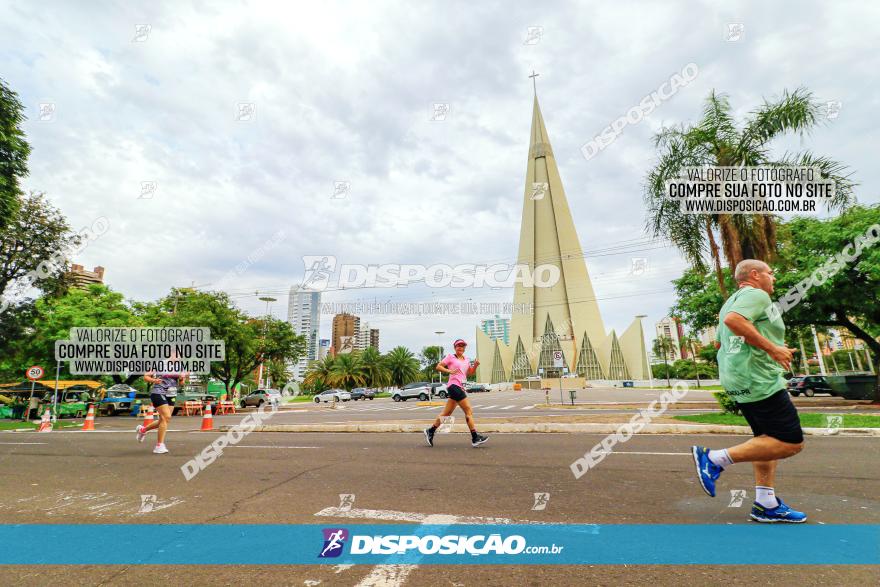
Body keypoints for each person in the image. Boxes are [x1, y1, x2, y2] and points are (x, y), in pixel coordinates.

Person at [692, 259, 806, 523]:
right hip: (759, 380)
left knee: (765, 441)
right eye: (770, 272)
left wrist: (771, 344)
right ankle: (713, 459)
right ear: (754, 275)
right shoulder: (756, 295)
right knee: (791, 442)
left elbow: (722, 342)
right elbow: (735, 322)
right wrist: (772, 349)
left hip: (739, 378)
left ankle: (765, 503)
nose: (773, 277)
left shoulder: (730, 302)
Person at [424, 339, 488, 448]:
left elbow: (469, 372)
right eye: (458, 346)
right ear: (455, 347)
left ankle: (430, 430)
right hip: (453, 386)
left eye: (462, 346)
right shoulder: (450, 357)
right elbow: (438, 366)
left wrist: (476, 365)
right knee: (468, 410)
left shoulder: (467, 360)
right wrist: (450, 371)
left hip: (461, 387)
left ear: (464, 348)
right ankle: (475, 437)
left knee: (446, 413)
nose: (460, 348)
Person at [137, 370, 187, 454]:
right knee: (166, 417)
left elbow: (181, 384)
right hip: (158, 392)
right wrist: (154, 380)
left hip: (171, 395)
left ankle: (143, 430)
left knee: (163, 420)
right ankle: (159, 446)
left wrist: (182, 379)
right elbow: (146, 376)